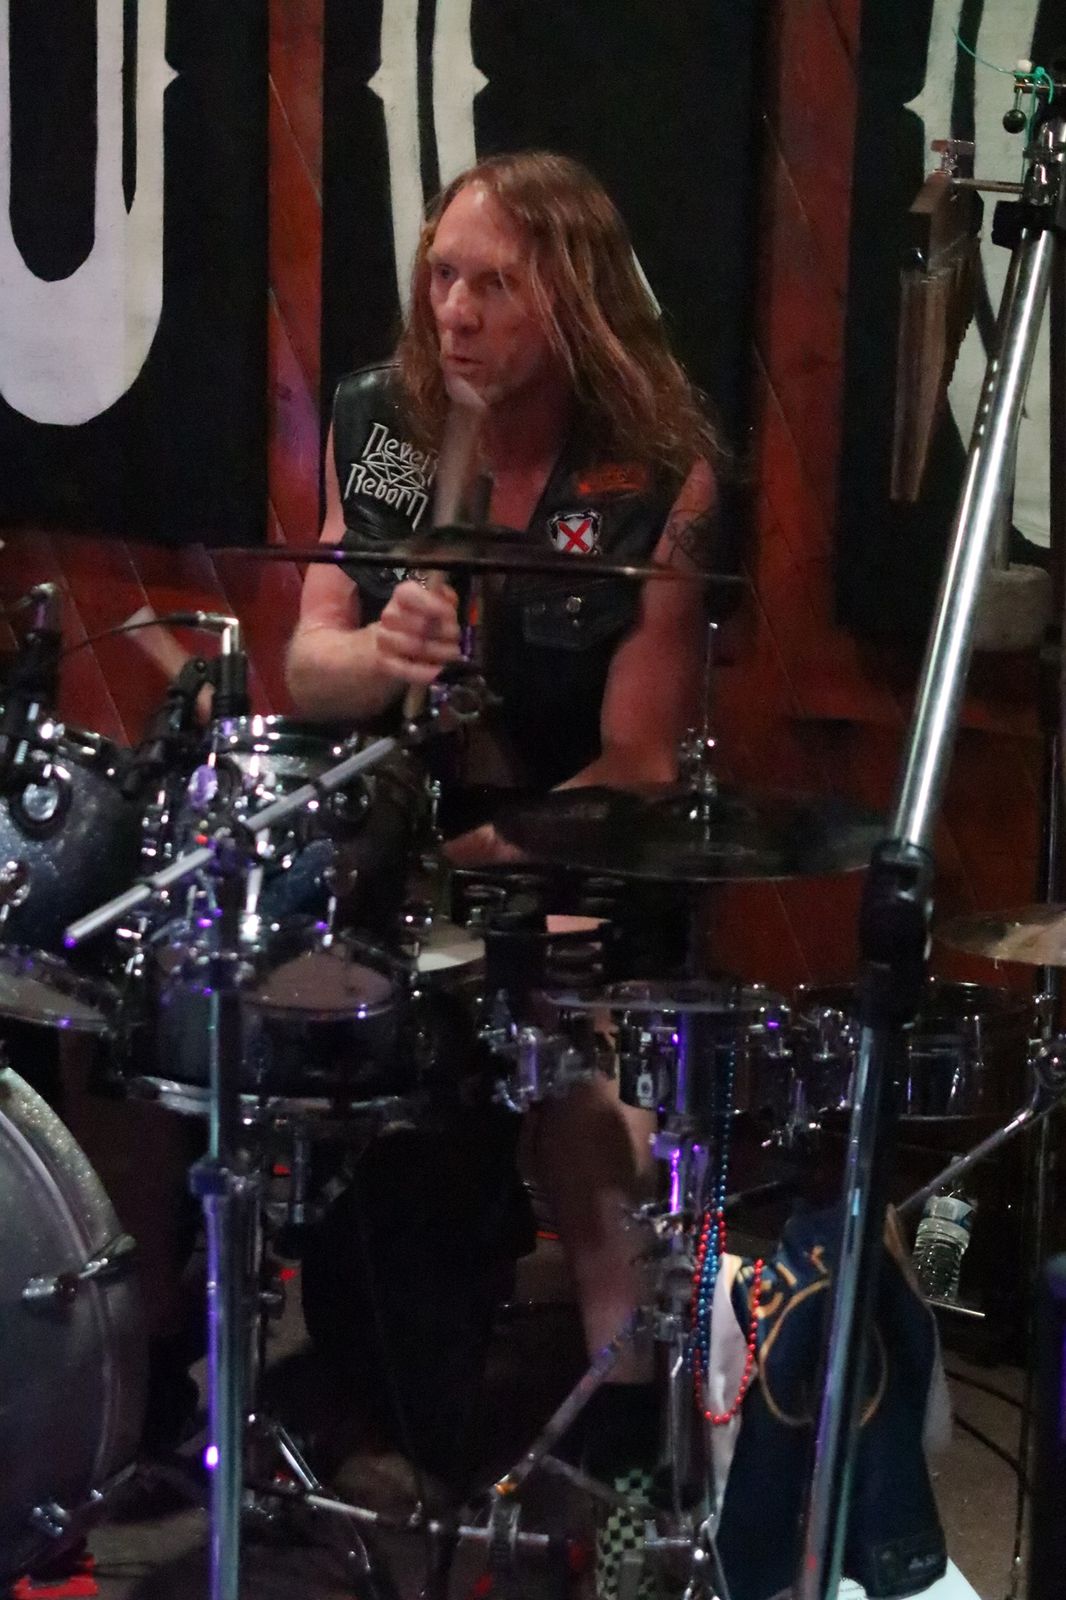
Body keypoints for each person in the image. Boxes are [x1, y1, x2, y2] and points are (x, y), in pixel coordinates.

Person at [286, 149, 719, 1591]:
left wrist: (495, 854)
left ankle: (642, 1496)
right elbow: (309, 662)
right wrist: (381, 653)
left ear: (574, 297)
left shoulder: (654, 472)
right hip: (403, 856)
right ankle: (359, 1413)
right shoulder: (390, 426)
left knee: (587, 1119)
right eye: (441, 278)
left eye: (494, 284)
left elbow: (639, 760)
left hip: (573, 861)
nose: (455, 313)